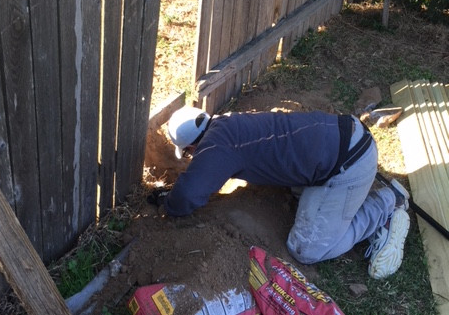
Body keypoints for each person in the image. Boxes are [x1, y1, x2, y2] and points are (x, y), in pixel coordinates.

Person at [151, 105, 410, 280]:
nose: (191, 157)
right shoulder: (230, 122)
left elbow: (187, 195)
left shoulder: (216, 147)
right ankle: (353, 197)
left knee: (305, 249)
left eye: (188, 153)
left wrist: (168, 204)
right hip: (347, 136)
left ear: (192, 145)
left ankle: (386, 203)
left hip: (346, 166)